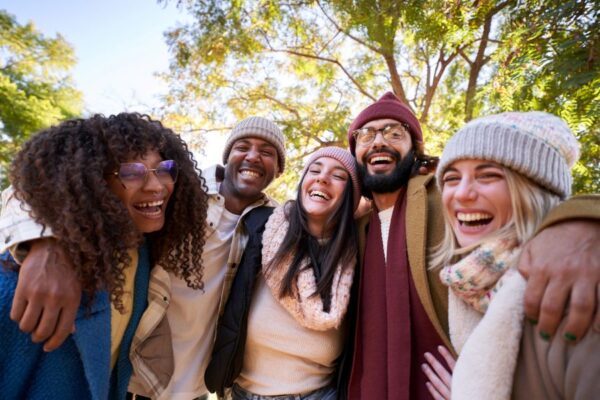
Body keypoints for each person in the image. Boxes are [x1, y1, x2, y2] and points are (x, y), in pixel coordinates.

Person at [0, 116, 286, 399]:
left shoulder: (275, 224)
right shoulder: (186, 193)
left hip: (196, 385)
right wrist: (47, 244)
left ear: (279, 168)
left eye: (267, 151)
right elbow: (36, 186)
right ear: (228, 155)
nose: (155, 186)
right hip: (139, 378)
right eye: (242, 146)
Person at [343, 92, 600, 399]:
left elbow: (535, 209)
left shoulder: (444, 200)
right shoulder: (355, 226)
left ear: (416, 150)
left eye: (394, 132)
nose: (378, 142)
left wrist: (578, 224)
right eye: (366, 134)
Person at [422, 111, 600, 399]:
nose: (463, 193)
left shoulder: (576, 289)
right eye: (452, 179)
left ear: (533, 189)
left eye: (488, 176)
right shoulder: (467, 285)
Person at [205, 147, 360, 399]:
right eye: (315, 170)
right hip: (244, 393)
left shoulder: (357, 252)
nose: (322, 178)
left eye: (339, 176)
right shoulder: (263, 229)